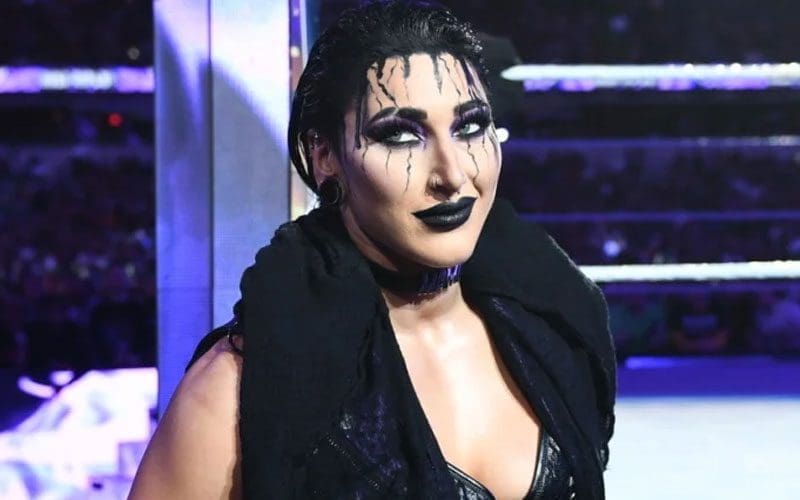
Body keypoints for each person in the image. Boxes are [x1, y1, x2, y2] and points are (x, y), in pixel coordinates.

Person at [130, 1, 616, 498]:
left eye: (469, 127)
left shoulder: (557, 324)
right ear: (324, 156)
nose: (452, 174)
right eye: (401, 135)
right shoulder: (235, 392)